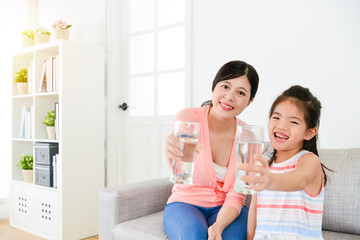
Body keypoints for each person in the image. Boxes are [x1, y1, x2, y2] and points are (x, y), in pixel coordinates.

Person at [163, 60, 259, 240]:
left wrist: (218, 226)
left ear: (249, 101)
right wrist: (171, 153)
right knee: (194, 236)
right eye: (225, 86)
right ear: (214, 87)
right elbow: (177, 167)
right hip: (185, 203)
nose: (230, 97)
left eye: (240, 93)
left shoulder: (249, 137)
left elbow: (238, 195)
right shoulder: (189, 119)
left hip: (229, 208)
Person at [244, 85, 329, 240]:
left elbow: (300, 179)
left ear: (309, 132)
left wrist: (269, 180)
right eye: (276, 117)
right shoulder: (264, 160)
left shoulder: (309, 160)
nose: (281, 126)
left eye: (293, 122)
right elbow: (254, 211)